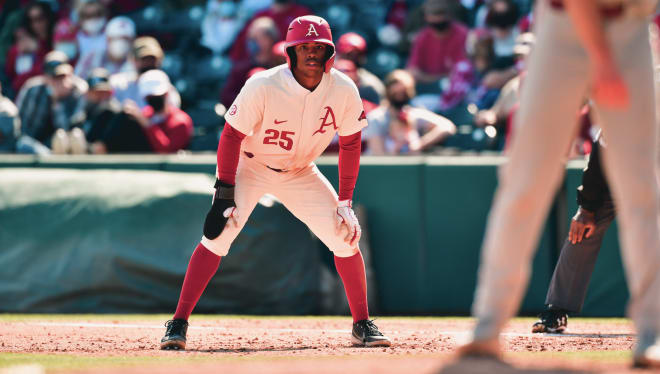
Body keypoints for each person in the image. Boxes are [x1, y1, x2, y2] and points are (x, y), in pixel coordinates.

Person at [160, 15, 391, 351]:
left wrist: (345, 202)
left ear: (329, 53)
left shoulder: (343, 88)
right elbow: (231, 136)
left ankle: (361, 324)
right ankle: (178, 321)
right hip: (252, 166)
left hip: (301, 171)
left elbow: (351, 144)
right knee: (216, 236)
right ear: (290, 52)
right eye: (304, 47)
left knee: (345, 237)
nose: (311, 53)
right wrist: (225, 191)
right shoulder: (263, 84)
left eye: (318, 47)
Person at [458, 0, 660, 369]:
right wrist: (602, 57)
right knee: (525, 182)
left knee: (644, 191)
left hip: (631, 28)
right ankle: (487, 327)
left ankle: (653, 333)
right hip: (564, 26)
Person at [531, 132, 611, 334]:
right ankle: (557, 309)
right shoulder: (623, 112)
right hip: (621, 177)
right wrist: (587, 208)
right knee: (584, 229)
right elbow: (600, 156)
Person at [366, 69, 456, 155]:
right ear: (388, 91)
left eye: (403, 92)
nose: (400, 96)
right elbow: (378, 155)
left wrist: (420, 144)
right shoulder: (376, 118)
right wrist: (397, 149)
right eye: (396, 93)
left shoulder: (414, 114)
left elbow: (448, 126)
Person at [15, 50, 87, 155]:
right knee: (23, 144)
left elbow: (71, 130)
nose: (58, 81)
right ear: (45, 76)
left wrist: (56, 102)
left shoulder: (78, 90)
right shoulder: (32, 89)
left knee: (64, 137)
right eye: (54, 77)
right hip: (35, 145)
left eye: (62, 76)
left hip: (67, 149)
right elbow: (21, 127)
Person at [406, 0, 468, 89]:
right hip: (428, 87)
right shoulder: (422, 37)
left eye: (441, 13)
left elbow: (465, 69)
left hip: (457, 86)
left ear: (449, 15)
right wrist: (437, 79)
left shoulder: (463, 34)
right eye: (434, 14)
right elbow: (413, 70)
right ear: (426, 17)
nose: (438, 19)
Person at [220, 17, 281, 107]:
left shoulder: (280, 67)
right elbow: (226, 97)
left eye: (256, 38)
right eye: (250, 38)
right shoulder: (241, 69)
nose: (251, 42)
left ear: (269, 40)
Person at [109, 36, 181, 109]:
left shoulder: (167, 90)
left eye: (152, 59)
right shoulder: (118, 85)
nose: (148, 63)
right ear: (133, 60)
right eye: (144, 59)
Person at [132, 69, 193, 154]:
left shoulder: (181, 121)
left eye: (158, 95)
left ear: (167, 93)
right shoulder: (144, 115)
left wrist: (148, 125)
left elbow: (166, 152)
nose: (154, 99)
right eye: (149, 96)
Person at [336, 32, 385, 104]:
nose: (352, 59)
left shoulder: (371, 84)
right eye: (349, 55)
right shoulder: (324, 75)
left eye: (357, 55)